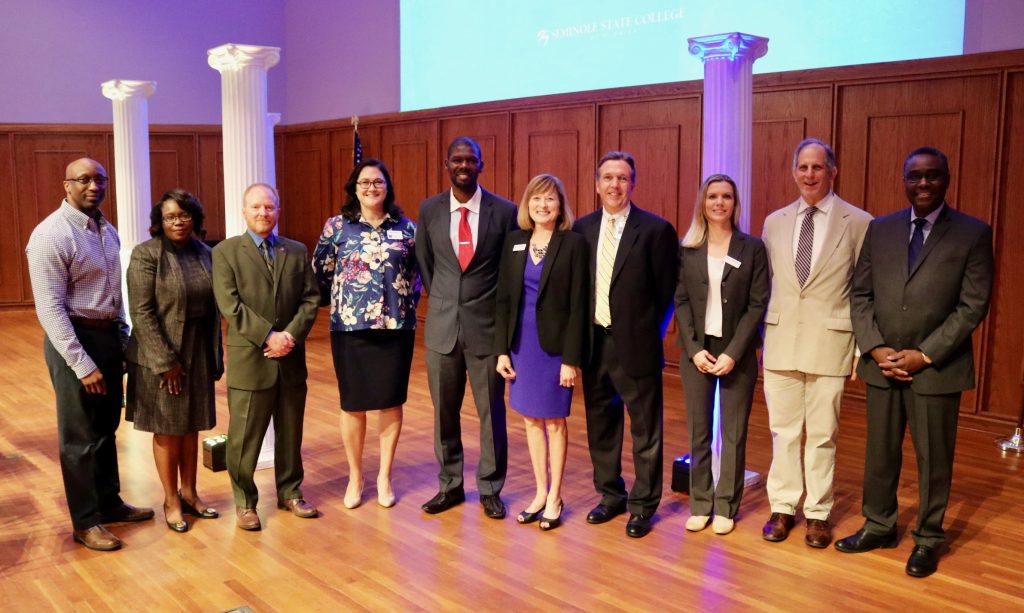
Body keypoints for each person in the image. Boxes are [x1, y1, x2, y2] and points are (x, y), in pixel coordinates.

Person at [837, 147, 994, 578]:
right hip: (882, 363)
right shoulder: (880, 229)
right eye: (915, 176)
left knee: (934, 457)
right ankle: (879, 524)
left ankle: (927, 538)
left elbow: (972, 305)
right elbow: (861, 294)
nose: (923, 184)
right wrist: (874, 347)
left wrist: (924, 354)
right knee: (880, 454)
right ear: (904, 180)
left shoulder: (973, 233)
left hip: (937, 368)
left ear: (947, 179)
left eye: (933, 176)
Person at [25, 158, 154, 551]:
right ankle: (85, 521)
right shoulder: (51, 234)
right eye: (83, 180)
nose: (93, 186)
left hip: (107, 336)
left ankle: (109, 503)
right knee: (79, 437)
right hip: (74, 340)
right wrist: (82, 364)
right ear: (67, 186)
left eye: (100, 179)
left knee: (104, 430)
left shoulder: (105, 229)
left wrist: (123, 338)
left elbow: (113, 295)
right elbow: (49, 308)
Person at [760, 139, 873, 548]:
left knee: (823, 434)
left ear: (833, 171)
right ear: (794, 172)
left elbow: (864, 290)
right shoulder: (774, 222)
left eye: (818, 167)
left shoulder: (858, 221)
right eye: (803, 167)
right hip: (781, 340)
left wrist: (861, 349)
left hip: (831, 342)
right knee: (783, 431)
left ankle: (818, 513)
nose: (810, 175)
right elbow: (766, 283)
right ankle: (783, 506)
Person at [573, 151, 679, 538]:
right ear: (597, 184)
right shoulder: (581, 229)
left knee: (645, 429)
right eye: (608, 178)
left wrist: (651, 332)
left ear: (633, 184)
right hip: (594, 343)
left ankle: (643, 504)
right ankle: (610, 495)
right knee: (601, 425)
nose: (614, 185)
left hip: (636, 345)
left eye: (622, 178)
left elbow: (668, 291)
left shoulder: (655, 230)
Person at [415, 137, 518, 520]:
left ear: (481, 164)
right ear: (447, 164)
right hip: (442, 328)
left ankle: (490, 488)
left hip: (487, 330)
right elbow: (426, 264)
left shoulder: (505, 212)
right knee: (444, 413)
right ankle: (450, 485)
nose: (463, 165)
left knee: (491, 413)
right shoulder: (429, 210)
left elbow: (509, 273)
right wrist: (444, 300)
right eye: (457, 159)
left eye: (470, 160)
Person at [312, 159, 421, 510]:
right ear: (354, 189)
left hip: (395, 328)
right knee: (353, 404)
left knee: (391, 402)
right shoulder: (337, 227)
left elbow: (418, 275)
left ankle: (384, 476)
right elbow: (321, 272)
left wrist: (398, 301)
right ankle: (355, 476)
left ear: (387, 187)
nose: (371, 188)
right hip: (350, 327)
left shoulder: (407, 228)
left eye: (378, 182)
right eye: (364, 183)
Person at [212, 183, 321, 531]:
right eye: (256, 207)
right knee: (244, 438)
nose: (263, 213)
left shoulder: (297, 251)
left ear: (278, 210)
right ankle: (245, 502)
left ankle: (291, 492)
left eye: (269, 207)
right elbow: (230, 304)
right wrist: (268, 336)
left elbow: (310, 299)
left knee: (291, 433)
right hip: (251, 359)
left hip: (290, 359)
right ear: (243, 211)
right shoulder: (226, 252)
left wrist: (288, 336)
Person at [675, 174, 769, 536]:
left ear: (735, 203)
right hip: (698, 351)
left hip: (736, 351)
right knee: (700, 432)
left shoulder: (752, 248)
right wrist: (695, 349)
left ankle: (727, 505)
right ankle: (701, 503)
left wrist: (734, 352)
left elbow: (758, 303)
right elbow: (681, 300)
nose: (719, 202)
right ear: (703, 202)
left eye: (726, 196)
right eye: (712, 196)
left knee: (733, 432)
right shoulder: (688, 248)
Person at [494, 174, 589, 531]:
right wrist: (502, 350)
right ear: (527, 205)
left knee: (554, 422)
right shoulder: (514, 242)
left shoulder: (573, 244)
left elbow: (579, 305)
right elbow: (503, 300)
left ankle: (556, 497)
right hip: (522, 346)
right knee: (530, 420)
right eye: (536, 199)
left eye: (549, 199)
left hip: (554, 350)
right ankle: (538, 491)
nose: (543, 205)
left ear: (560, 204)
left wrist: (571, 359)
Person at [125, 189, 223, 533]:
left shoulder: (206, 253)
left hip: (197, 348)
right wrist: (166, 361)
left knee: (191, 425)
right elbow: (141, 312)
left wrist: (215, 355)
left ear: (194, 219)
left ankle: (191, 493)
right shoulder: (146, 255)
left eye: (184, 215)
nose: (178, 222)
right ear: (159, 221)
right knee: (168, 428)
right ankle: (170, 500)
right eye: (170, 217)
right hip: (160, 352)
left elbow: (215, 310)